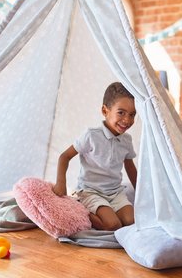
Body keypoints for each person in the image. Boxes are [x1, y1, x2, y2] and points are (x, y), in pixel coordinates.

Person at [53, 82, 137, 231]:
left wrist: (141, 191)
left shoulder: (126, 140)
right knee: (113, 225)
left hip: (115, 192)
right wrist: (61, 183)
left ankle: (107, 211)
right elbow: (64, 157)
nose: (127, 120)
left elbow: (130, 168)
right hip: (90, 191)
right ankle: (77, 205)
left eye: (132, 114)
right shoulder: (91, 135)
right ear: (105, 111)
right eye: (121, 112)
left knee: (131, 221)